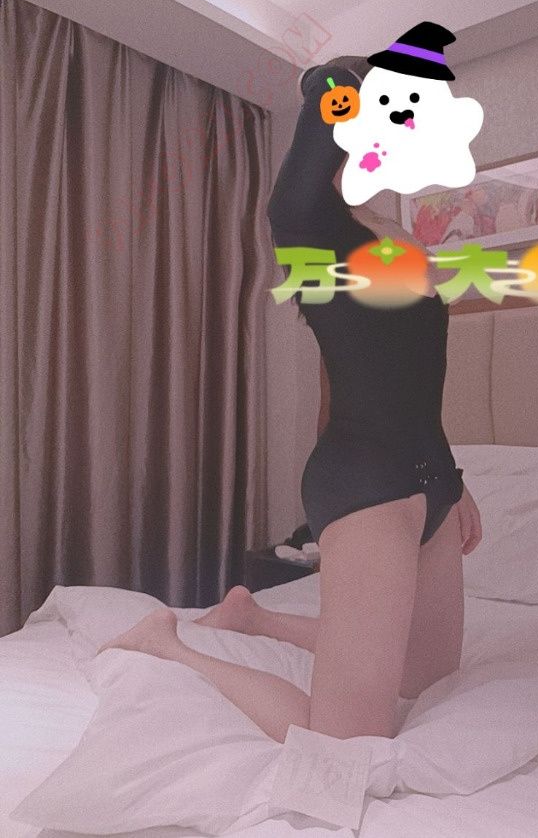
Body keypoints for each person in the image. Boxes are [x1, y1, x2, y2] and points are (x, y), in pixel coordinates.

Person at [96, 56, 482, 744]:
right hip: (366, 485)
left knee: (428, 679)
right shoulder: (312, 225)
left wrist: (455, 482)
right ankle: (168, 644)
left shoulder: (389, 229)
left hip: (432, 480)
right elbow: (320, 104)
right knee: (348, 740)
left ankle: (255, 618)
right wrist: (354, 80)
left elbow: (416, 379)